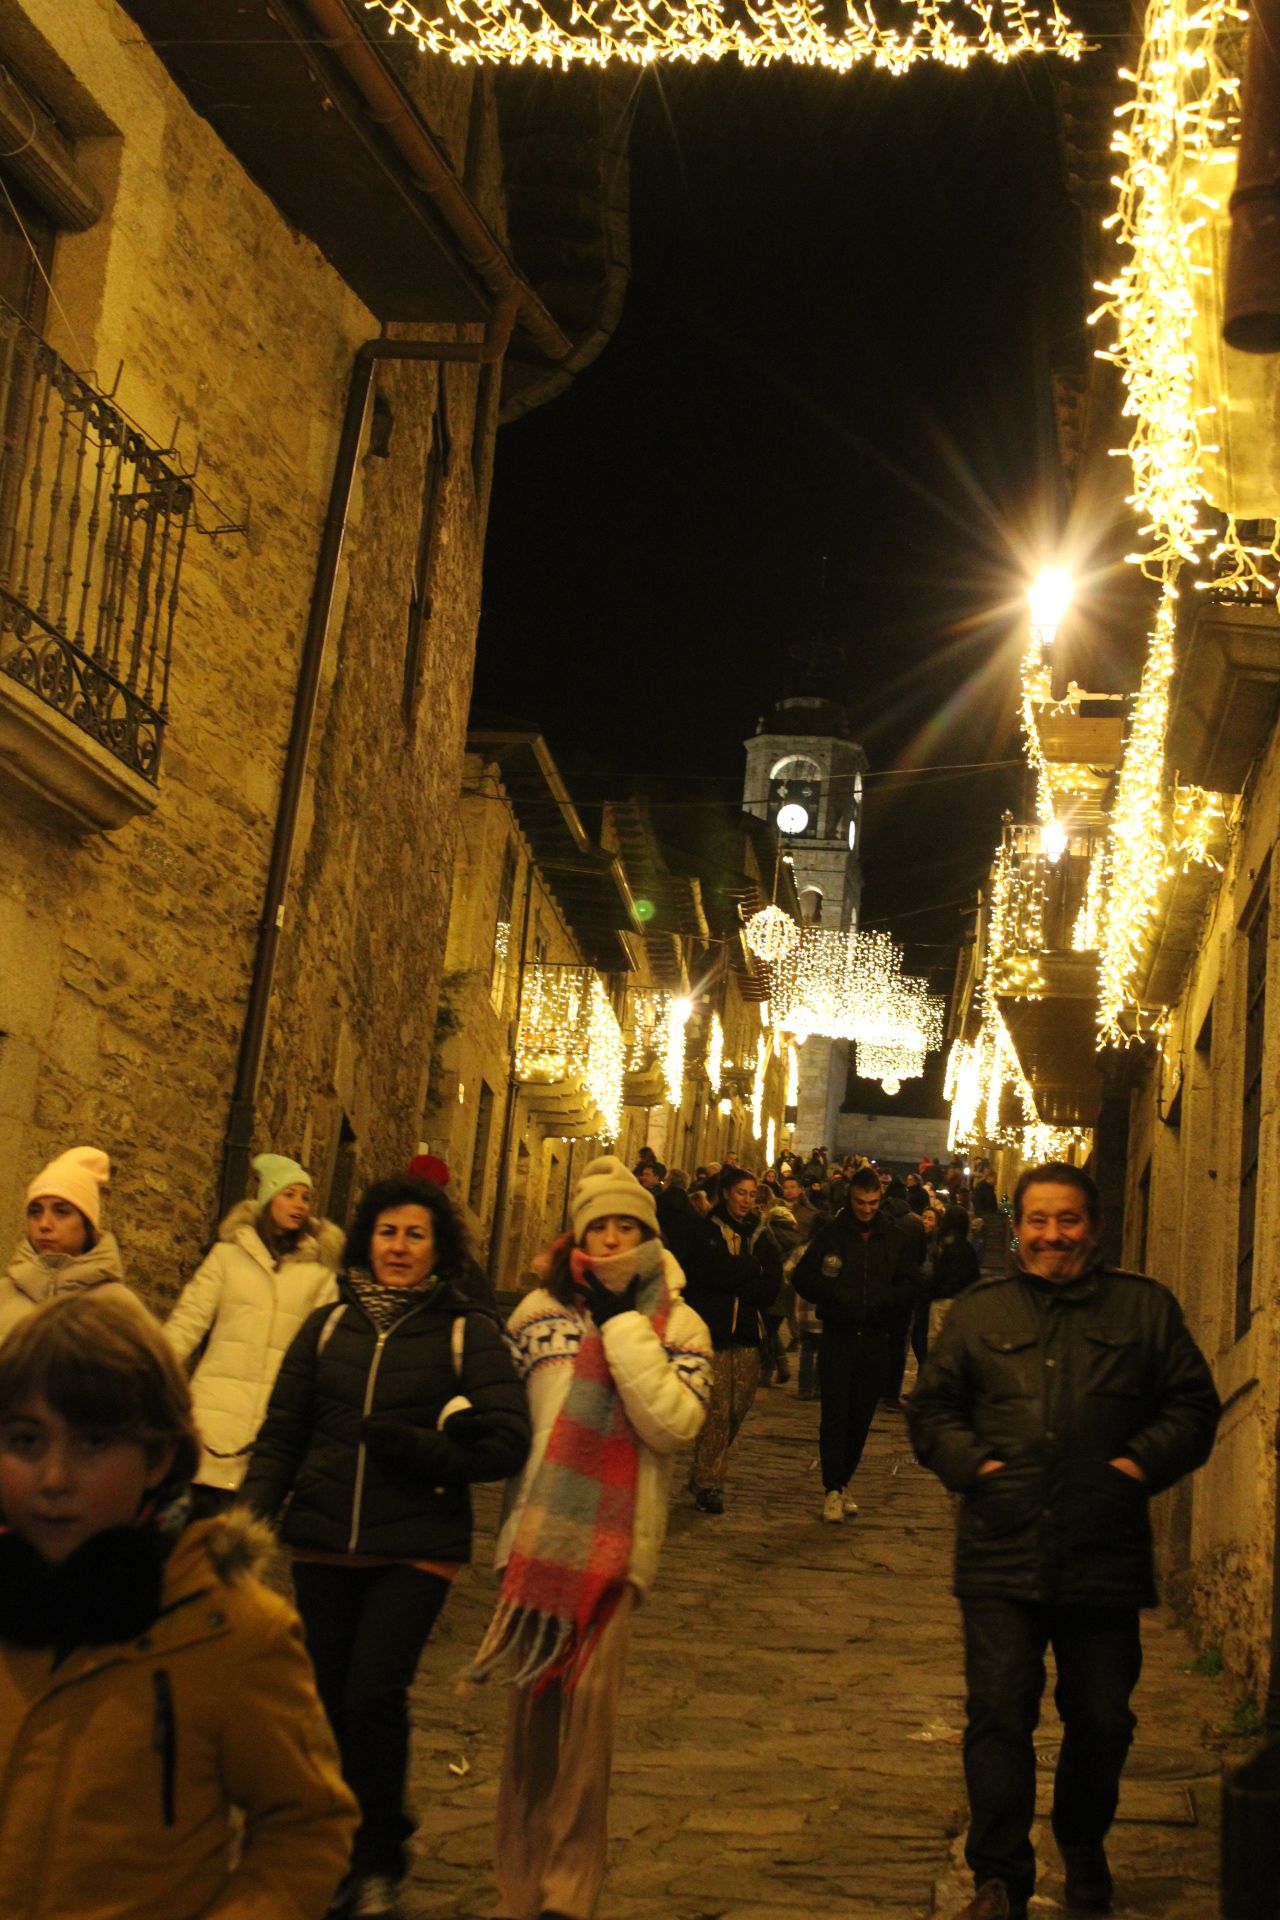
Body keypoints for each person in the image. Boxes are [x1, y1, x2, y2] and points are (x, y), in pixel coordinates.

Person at [908, 1163, 1221, 1920]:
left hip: (1102, 1549)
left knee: (1103, 1716)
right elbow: (932, 1410)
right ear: (1017, 1228)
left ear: (1096, 1227)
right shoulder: (980, 1315)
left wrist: (1134, 1465)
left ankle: (1082, 1843)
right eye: (1039, 1221)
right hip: (1000, 1549)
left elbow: (1192, 1405)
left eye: (1069, 1220)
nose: (1053, 1235)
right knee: (999, 1714)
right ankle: (1000, 1877)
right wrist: (974, 1466)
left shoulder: (1144, 1310)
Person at [0, 1291, 357, 1920]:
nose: (53, 1477)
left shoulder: (232, 1632)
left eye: (92, 1443)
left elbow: (304, 1824)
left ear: (159, 1456)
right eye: (26, 1440)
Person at [243, 1173, 531, 1920]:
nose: (399, 1247)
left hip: (416, 1543)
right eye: (387, 1232)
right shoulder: (328, 1327)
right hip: (325, 1539)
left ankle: (377, 1864)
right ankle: (348, 1843)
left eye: (415, 1235)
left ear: (437, 1249)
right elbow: (282, 1432)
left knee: (373, 1692)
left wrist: (427, 1453)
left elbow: (507, 1438)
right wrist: (244, 1527)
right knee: (330, 1701)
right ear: (367, 1239)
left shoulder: (466, 1330)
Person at [468, 1155, 710, 1920]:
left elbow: (672, 1425)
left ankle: (568, 1889)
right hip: (534, 1538)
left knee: (588, 1724)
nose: (610, 1239)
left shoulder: (680, 1324)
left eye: (626, 1226)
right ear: (578, 1233)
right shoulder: (536, 1313)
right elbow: (500, 1409)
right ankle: (519, 1880)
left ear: (647, 1233)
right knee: (530, 1725)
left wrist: (619, 1326)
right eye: (599, 1225)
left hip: (618, 1544)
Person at [164, 1153, 343, 1518]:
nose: (299, 1205)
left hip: (271, 1429)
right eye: (289, 1194)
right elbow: (188, 1321)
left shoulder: (319, 1274)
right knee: (189, 1545)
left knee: (241, 1550)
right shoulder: (227, 1257)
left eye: (305, 1198)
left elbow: (324, 1351)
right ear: (268, 1198)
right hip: (213, 1416)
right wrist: (149, 1372)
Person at [793, 1166, 916, 1523]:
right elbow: (803, 1276)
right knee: (834, 1414)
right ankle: (831, 1488)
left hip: (876, 1339)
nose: (866, 1209)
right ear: (851, 1198)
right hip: (839, 1337)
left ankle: (844, 1481)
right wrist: (834, 1294)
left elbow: (908, 1282)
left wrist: (888, 1303)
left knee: (861, 1417)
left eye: (873, 1203)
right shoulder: (833, 1235)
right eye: (861, 1202)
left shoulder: (892, 1237)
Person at [680, 1166, 781, 1513]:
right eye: (741, 1193)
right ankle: (709, 1482)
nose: (746, 1201)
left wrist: (741, 1274)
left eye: (752, 1195)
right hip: (716, 1332)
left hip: (749, 1332)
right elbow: (711, 1273)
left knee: (740, 1407)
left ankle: (703, 1471)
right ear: (726, 1193)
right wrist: (747, 1270)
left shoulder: (761, 1235)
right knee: (718, 1410)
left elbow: (769, 1285)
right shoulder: (706, 1230)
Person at [1, 1146, 141, 1341]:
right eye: (35, 1212)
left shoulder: (121, 1310)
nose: (44, 1224)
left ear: (87, 1223)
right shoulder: (4, 1296)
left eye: (61, 1211)